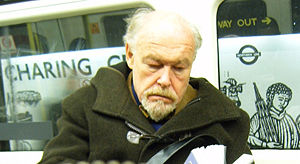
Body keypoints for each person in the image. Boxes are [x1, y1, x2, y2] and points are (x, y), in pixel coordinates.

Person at [39, 8, 252, 164]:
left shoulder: (227, 121)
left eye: (179, 68)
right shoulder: (85, 107)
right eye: (154, 65)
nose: (165, 80)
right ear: (130, 56)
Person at [248, 82, 300, 149]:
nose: (283, 103)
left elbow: (296, 140)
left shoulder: (288, 120)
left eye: (286, 100)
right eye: (280, 99)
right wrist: (265, 144)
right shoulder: (259, 117)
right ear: (271, 97)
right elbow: (247, 136)